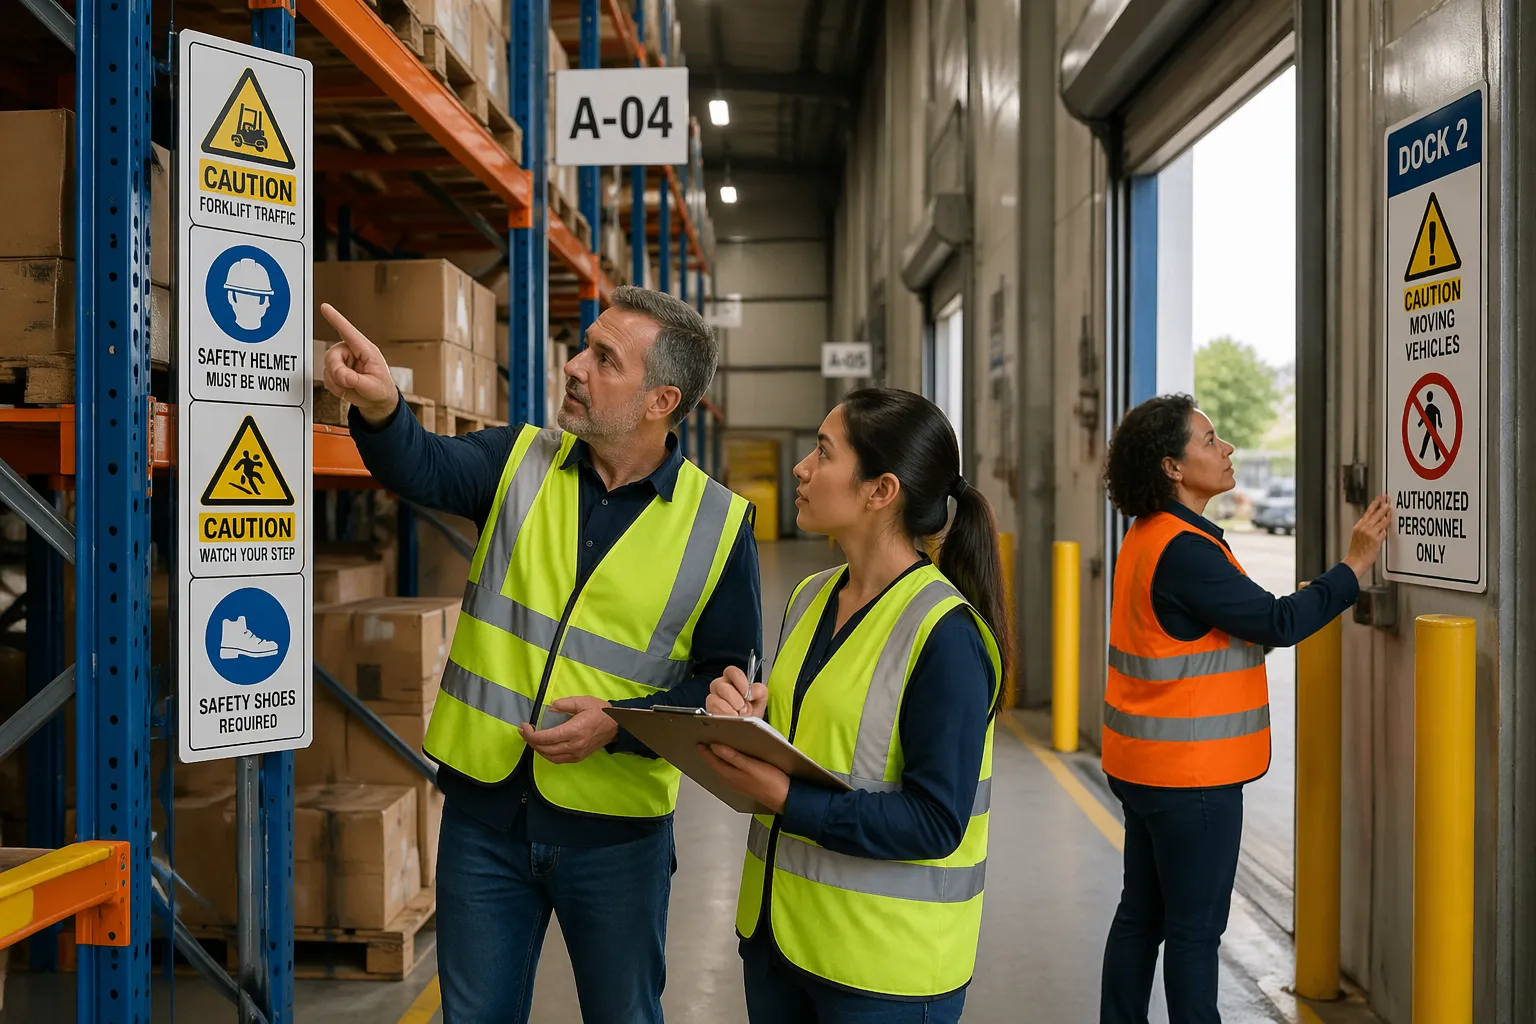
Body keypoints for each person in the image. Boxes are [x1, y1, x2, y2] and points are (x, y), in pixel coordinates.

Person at [319, 286, 761, 1024]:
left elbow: (723, 690)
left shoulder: (719, 525)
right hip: (484, 822)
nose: (574, 366)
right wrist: (380, 405)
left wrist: (620, 722)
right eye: (584, 346)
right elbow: (423, 466)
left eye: (603, 359)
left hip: (616, 841)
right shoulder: (519, 459)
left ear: (660, 400)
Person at [696, 388, 1010, 1024]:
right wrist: (753, 713)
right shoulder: (812, 596)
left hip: (882, 972)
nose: (800, 469)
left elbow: (934, 823)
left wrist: (787, 798)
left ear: (880, 491)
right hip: (781, 941)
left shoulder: (944, 634)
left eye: (822, 452)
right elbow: (828, 734)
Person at [1098, 394, 1391, 1024]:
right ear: (1173, 467)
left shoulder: (1150, 535)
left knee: (1141, 916)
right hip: (1191, 776)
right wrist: (1354, 566)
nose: (1226, 449)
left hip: (1143, 765)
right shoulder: (1185, 550)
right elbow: (1277, 621)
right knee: (1194, 932)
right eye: (1209, 441)